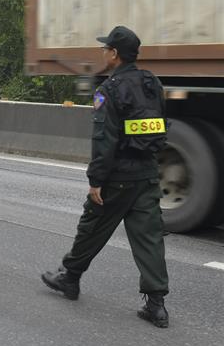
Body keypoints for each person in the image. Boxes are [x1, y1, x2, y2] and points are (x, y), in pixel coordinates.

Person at [41, 25, 171, 328]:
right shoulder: (152, 83)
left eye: (105, 49)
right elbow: (161, 124)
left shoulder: (109, 90)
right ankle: (157, 306)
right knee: (150, 238)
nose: (102, 53)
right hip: (147, 174)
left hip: (117, 177)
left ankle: (70, 279)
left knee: (92, 225)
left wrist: (96, 181)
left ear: (114, 54)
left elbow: (105, 140)